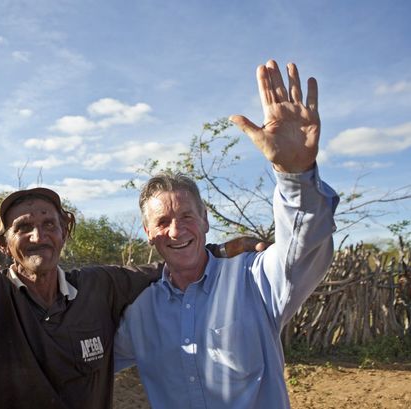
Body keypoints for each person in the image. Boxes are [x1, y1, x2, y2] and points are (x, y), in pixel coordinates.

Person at [0, 8, 262, 409]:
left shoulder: (99, 288)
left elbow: (169, 263)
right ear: (1, 244)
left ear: (64, 232)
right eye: (23, 227)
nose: (38, 235)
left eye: (48, 223)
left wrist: (221, 250)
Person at [114, 60, 339, 409]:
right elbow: (83, 360)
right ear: (148, 233)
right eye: (163, 222)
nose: (176, 230)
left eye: (187, 216)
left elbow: (305, 246)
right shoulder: (140, 313)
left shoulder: (254, 278)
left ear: (205, 220)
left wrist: (295, 174)